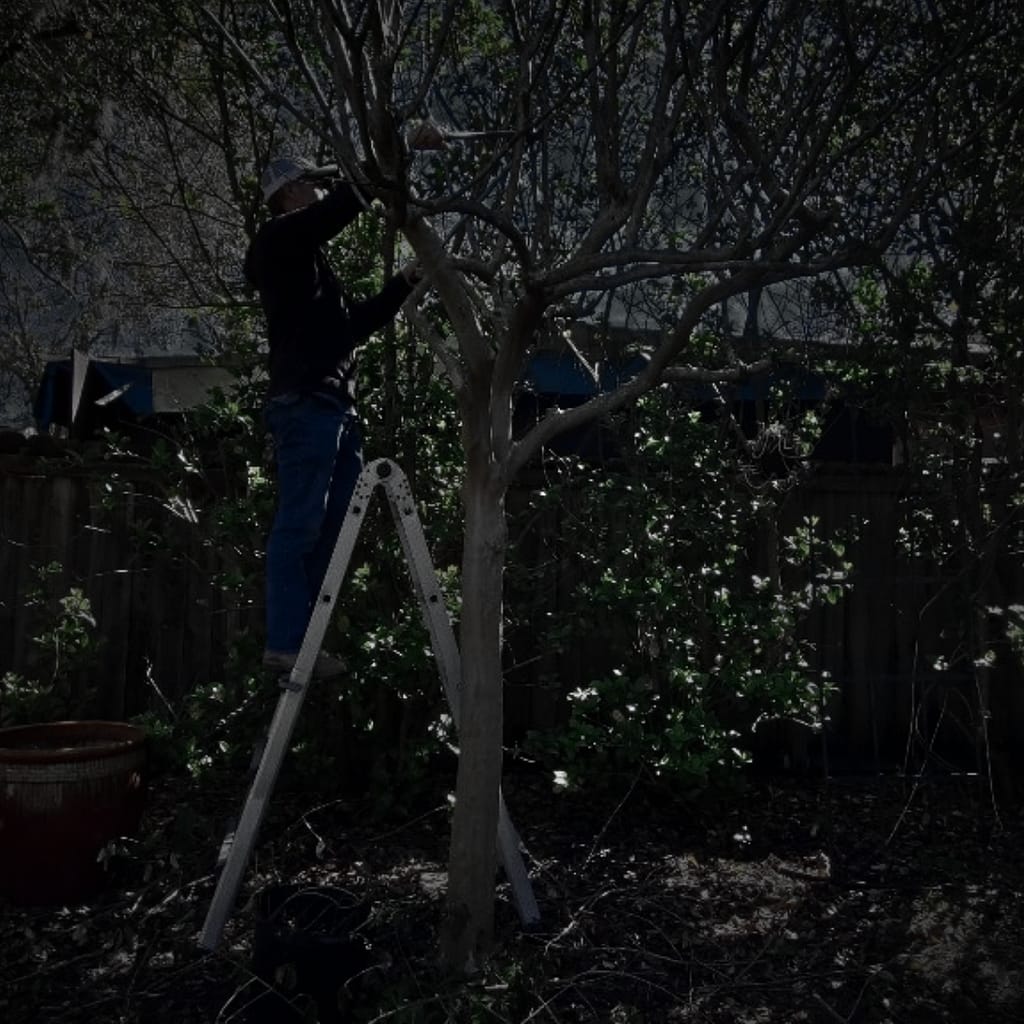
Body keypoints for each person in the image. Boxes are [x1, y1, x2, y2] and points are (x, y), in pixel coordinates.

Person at [245, 154, 424, 678]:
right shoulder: (278, 239)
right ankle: (284, 643)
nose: (323, 192)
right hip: (305, 405)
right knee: (300, 522)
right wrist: (399, 148)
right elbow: (342, 207)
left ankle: (302, 643)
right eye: (314, 184)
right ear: (291, 193)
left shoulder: (310, 268)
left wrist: (405, 282)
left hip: (337, 410)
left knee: (333, 531)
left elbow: (352, 327)